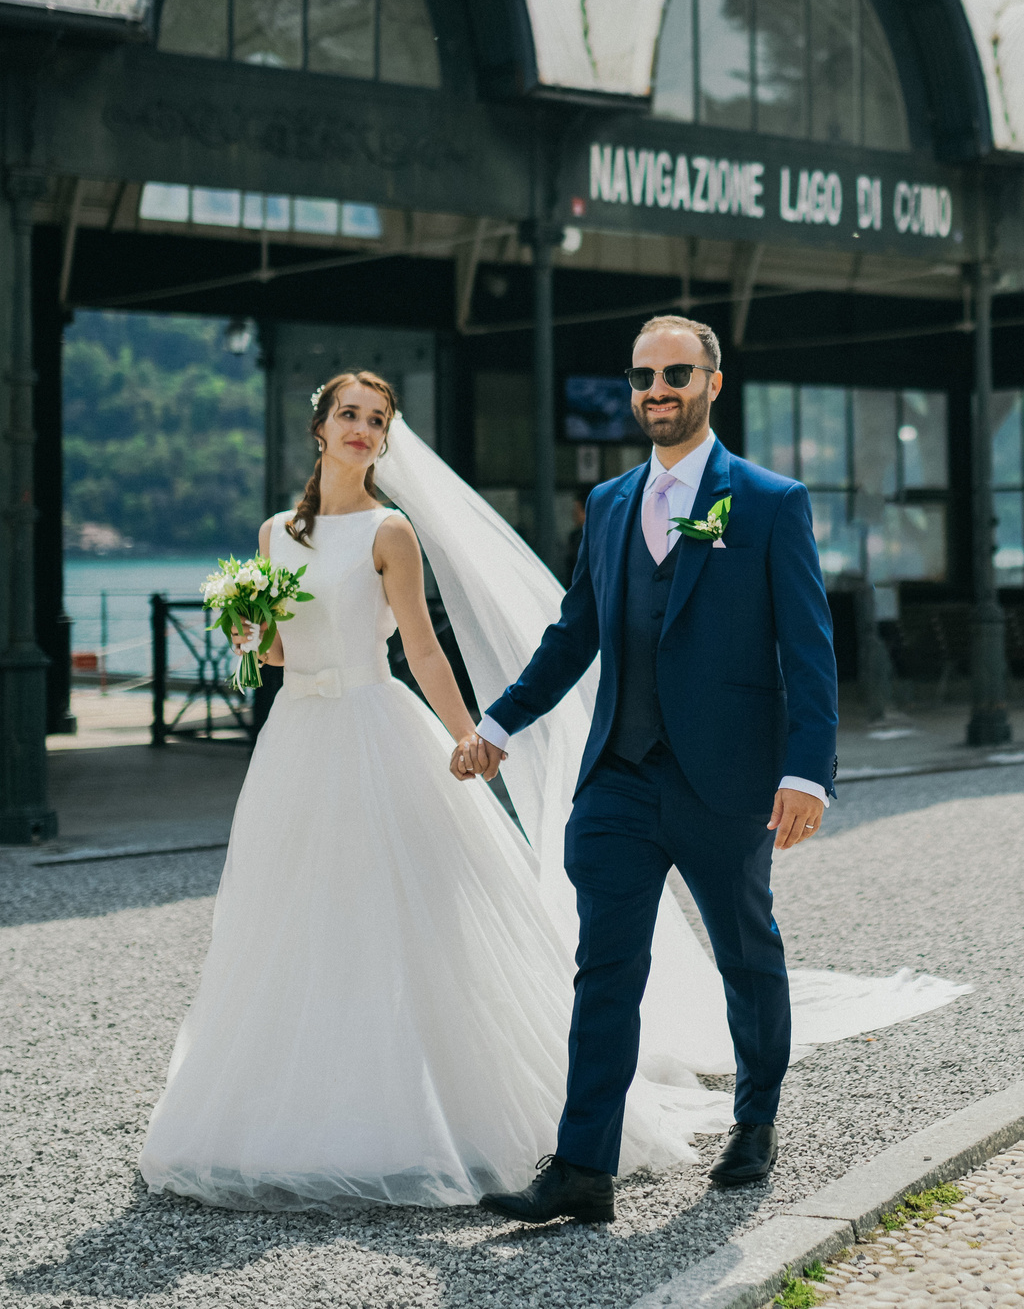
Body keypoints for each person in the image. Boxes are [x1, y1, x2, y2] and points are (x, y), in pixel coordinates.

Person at [141, 361, 958, 1214]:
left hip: (545, 755)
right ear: (321, 427)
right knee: (339, 923)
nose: (362, 429)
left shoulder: (398, 531)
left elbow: (422, 648)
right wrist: (256, 634)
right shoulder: (287, 534)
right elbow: (295, 651)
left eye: (376, 418)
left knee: (721, 949)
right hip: (350, 753)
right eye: (349, 414)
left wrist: (472, 732)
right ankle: (488, 1146)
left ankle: (724, 1125)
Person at [460, 315, 836, 1225]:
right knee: (606, 968)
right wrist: (501, 719)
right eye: (641, 377)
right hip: (622, 778)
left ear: (713, 382)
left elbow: (810, 649)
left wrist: (807, 772)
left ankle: (756, 1120)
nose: (655, 391)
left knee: (748, 955)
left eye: (675, 373)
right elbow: (575, 634)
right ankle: (584, 1168)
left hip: (727, 783)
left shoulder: (771, 501)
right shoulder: (609, 504)